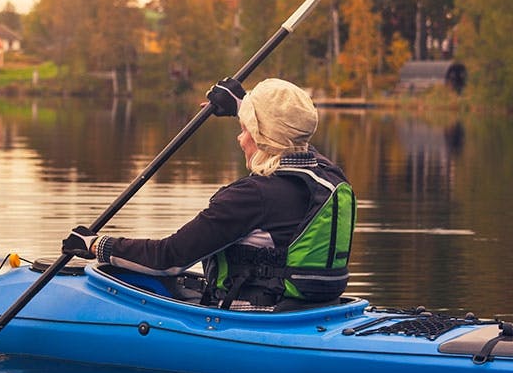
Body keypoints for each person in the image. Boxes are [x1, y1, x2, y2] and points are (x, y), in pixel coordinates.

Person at [62, 77, 356, 310]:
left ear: (262, 136)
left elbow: (168, 258)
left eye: (245, 129)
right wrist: (241, 104)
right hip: (319, 310)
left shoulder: (252, 196)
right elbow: (290, 137)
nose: (240, 139)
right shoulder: (329, 177)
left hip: (256, 318)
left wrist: (95, 244)